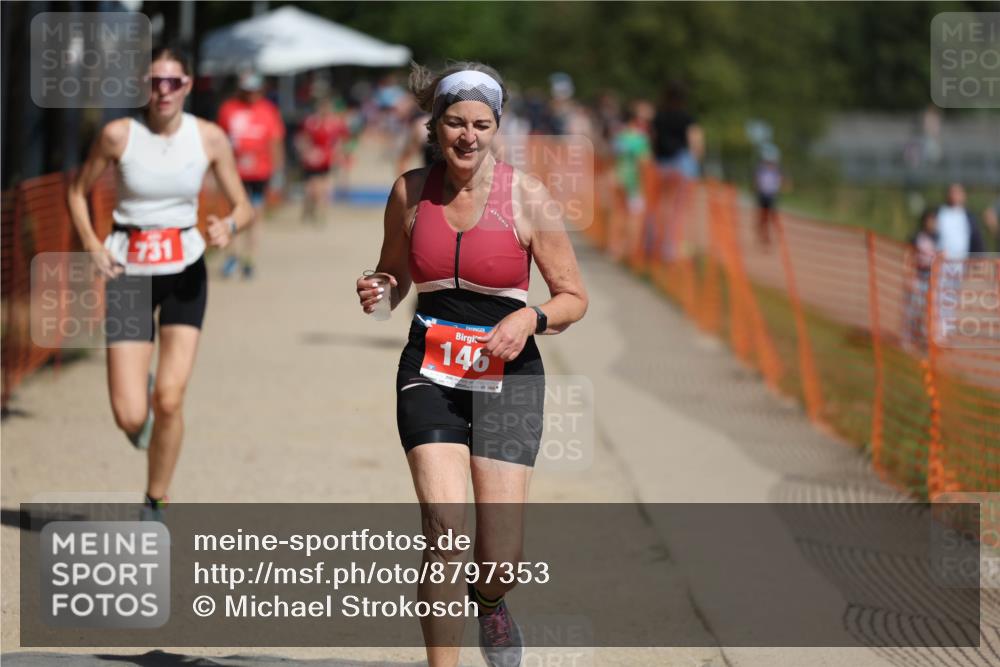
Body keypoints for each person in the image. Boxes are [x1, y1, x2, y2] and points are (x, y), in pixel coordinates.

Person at [355, 61, 588, 667]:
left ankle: (490, 601)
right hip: (428, 369)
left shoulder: (526, 197)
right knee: (444, 532)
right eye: (455, 122)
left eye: (481, 125)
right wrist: (380, 288)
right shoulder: (409, 191)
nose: (468, 136)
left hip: (509, 375)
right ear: (435, 125)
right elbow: (397, 273)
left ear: (497, 127)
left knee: (499, 561)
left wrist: (528, 318)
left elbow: (573, 297)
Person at [66, 46, 253, 519]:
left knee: (170, 398)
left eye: (172, 82)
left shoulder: (208, 138)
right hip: (128, 273)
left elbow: (244, 204)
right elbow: (75, 190)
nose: (162, 91)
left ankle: (156, 499)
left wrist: (227, 227)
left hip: (185, 269)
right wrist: (92, 242)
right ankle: (139, 396)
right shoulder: (118, 135)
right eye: (154, 82)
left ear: (188, 85)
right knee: (131, 415)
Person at [217, 70, 285, 278]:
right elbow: (218, 141)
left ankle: (249, 257)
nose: (251, 95)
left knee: (255, 215)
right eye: (247, 91)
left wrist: (278, 172)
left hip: (260, 172)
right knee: (234, 213)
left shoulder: (268, 110)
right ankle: (232, 255)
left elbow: (275, 142)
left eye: (254, 91)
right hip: (234, 171)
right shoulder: (228, 109)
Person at [296, 90, 350, 224]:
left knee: (324, 186)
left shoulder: (335, 123)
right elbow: (303, 139)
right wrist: (307, 152)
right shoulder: (311, 122)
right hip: (313, 158)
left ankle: (321, 213)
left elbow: (341, 140)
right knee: (311, 188)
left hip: (327, 158)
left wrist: (339, 155)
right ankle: (309, 209)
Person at [611, 102, 653, 261]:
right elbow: (645, 161)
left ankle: (615, 248)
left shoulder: (620, 135)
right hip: (634, 182)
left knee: (618, 214)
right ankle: (630, 250)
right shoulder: (641, 138)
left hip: (619, 177)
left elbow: (613, 156)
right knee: (634, 216)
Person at [652, 80, 704, 179]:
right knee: (684, 192)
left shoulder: (658, 117)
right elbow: (696, 142)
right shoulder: (687, 118)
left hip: (662, 161)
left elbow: (653, 139)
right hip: (682, 160)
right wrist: (695, 160)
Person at [904, 208, 938, 351]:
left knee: (928, 311)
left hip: (930, 278)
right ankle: (908, 339)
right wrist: (908, 275)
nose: (931, 223)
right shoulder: (916, 237)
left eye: (934, 220)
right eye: (929, 220)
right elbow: (908, 256)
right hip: (917, 275)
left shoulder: (938, 238)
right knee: (913, 310)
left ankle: (924, 340)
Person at [754, 145, 783, 246]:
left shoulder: (777, 170)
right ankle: (762, 232)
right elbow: (757, 182)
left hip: (772, 196)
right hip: (762, 196)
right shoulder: (761, 169)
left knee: (772, 216)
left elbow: (780, 181)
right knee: (763, 217)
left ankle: (769, 235)